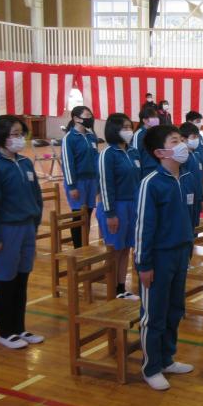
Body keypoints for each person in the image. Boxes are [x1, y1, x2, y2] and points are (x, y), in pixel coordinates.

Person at [135, 124, 195, 391]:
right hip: (158, 258)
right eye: (175, 141)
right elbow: (143, 228)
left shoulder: (185, 178)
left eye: (182, 139)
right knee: (154, 314)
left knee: (174, 309)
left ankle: (167, 358)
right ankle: (151, 367)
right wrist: (143, 264)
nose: (182, 145)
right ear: (160, 152)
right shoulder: (151, 183)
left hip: (180, 254)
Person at [0, 115, 44, 349]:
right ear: (0, 138)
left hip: (26, 228)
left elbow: (36, 196)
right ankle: (5, 332)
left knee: (21, 281)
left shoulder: (25, 163)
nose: (20, 138)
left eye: (21, 134)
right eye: (14, 134)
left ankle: (19, 327)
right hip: (4, 232)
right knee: (5, 284)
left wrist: (34, 225)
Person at [97, 113, 142, 300]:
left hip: (132, 206)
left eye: (130, 127)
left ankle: (121, 288)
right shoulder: (107, 154)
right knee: (115, 249)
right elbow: (105, 185)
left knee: (126, 248)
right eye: (124, 128)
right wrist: (110, 213)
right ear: (114, 130)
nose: (128, 131)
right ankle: (112, 289)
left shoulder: (133, 152)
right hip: (115, 207)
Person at [62, 106, 99, 248]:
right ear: (76, 118)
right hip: (77, 182)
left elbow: (96, 159)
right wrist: (72, 186)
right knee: (78, 215)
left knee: (88, 213)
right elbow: (67, 163)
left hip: (91, 181)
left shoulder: (91, 136)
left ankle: (85, 244)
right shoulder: (69, 138)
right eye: (87, 115)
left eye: (91, 115)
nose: (90, 118)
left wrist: (98, 181)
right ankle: (78, 248)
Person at [179, 122, 203, 229]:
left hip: (197, 197)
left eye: (197, 137)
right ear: (183, 139)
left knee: (194, 227)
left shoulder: (196, 156)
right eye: (193, 137)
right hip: (187, 198)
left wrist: (202, 198)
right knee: (186, 227)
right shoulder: (183, 157)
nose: (196, 140)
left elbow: (200, 180)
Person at [133, 106, 162, 177]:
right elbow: (135, 156)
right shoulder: (139, 134)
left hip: (158, 169)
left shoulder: (157, 132)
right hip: (146, 172)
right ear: (144, 120)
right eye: (153, 117)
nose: (156, 119)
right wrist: (138, 175)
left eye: (156, 117)